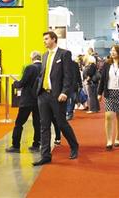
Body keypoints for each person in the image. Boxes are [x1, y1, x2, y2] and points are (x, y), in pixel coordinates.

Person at [32, 31, 79, 166]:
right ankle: (45, 155)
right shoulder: (44, 55)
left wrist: (65, 92)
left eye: (46, 39)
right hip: (43, 95)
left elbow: (68, 75)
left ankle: (74, 146)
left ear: (54, 39)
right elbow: (43, 74)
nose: (44, 41)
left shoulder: (64, 54)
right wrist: (38, 90)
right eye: (44, 39)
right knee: (44, 125)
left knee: (61, 123)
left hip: (57, 95)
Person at [6, 51, 42, 153]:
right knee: (37, 123)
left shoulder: (30, 68)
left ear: (32, 58)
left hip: (27, 100)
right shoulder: (44, 67)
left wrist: (15, 83)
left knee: (19, 123)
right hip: (39, 99)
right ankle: (36, 144)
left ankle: (15, 145)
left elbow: (22, 83)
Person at [97, 44, 119, 150]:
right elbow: (103, 79)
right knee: (108, 116)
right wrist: (99, 93)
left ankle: (117, 138)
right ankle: (109, 140)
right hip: (110, 93)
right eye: (111, 50)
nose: (112, 52)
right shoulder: (107, 64)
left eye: (114, 51)